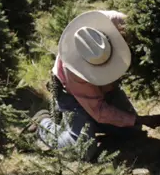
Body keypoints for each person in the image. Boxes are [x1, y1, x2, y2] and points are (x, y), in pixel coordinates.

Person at [31, 10, 138, 158]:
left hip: (104, 90)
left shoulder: (113, 22)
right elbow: (98, 109)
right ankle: (42, 123)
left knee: (132, 129)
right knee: (83, 148)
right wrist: (136, 119)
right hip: (72, 95)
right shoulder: (75, 72)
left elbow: (140, 26)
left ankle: (82, 123)